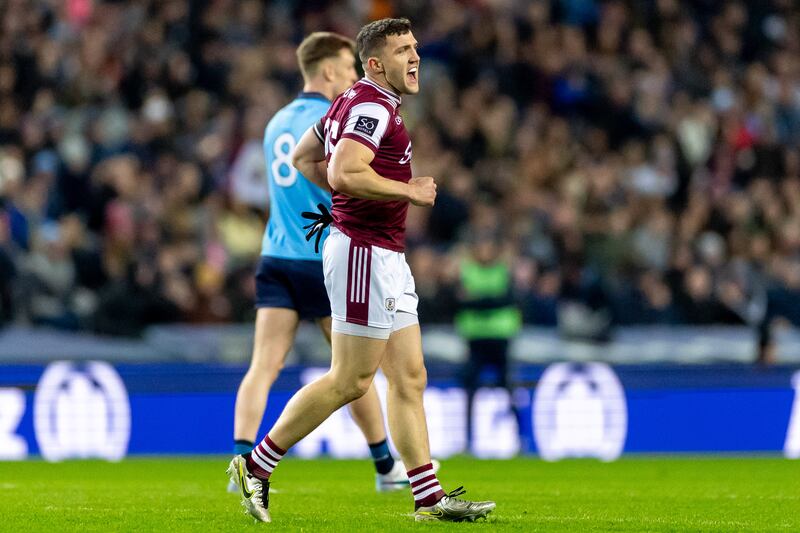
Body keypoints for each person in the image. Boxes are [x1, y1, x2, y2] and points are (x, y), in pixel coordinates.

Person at [228, 18, 495, 523]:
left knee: (410, 376)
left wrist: (347, 201)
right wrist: (407, 191)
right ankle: (256, 466)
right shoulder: (371, 105)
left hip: (382, 252)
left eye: (415, 47)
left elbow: (309, 156)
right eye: (402, 51)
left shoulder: (348, 102)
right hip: (363, 254)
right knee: (350, 380)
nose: (415, 57)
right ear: (375, 63)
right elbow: (343, 169)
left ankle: (429, 498)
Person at [229, 31, 412, 495]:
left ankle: (240, 458)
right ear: (328, 70)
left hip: (275, 254)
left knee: (263, 366)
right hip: (321, 254)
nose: (353, 76)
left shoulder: (275, 123)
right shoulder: (336, 116)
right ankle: (384, 463)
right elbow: (347, 177)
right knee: (354, 371)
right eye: (349, 67)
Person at [455, 232, 521, 449]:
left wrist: (477, 300)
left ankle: (520, 438)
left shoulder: (502, 271)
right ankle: (467, 440)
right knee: (470, 389)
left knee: (508, 387)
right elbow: (460, 302)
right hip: (476, 339)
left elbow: (507, 300)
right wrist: (491, 301)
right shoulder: (467, 270)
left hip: (500, 339)